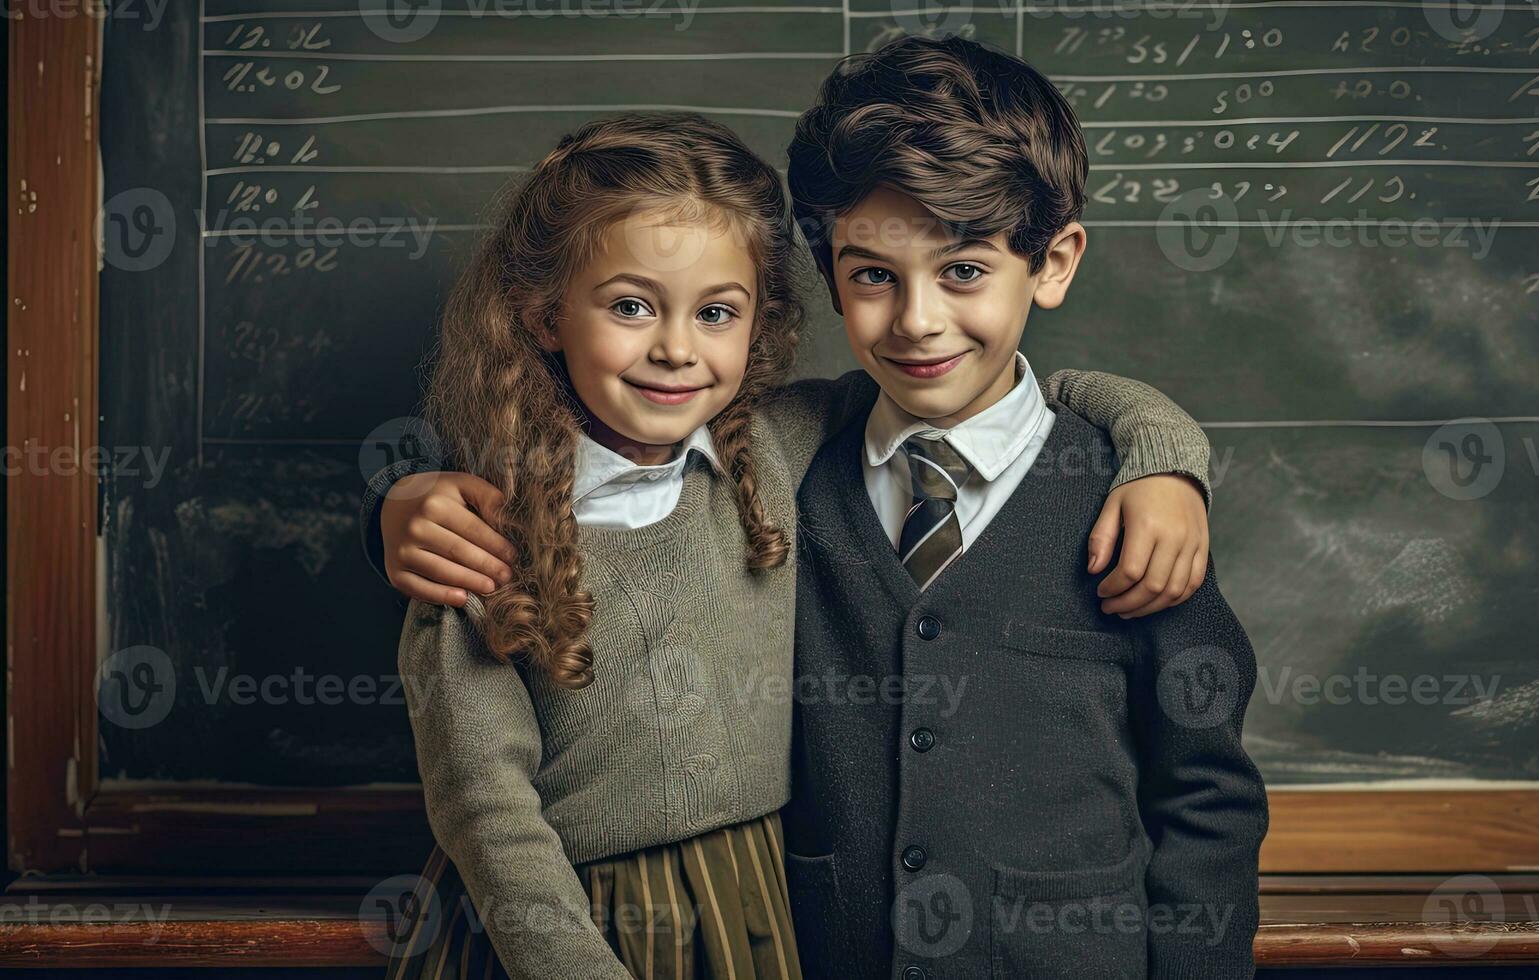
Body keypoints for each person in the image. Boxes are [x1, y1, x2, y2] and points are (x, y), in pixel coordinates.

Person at [380, 110, 1217, 980]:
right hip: (555, 928)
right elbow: (485, 807)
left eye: (715, 312)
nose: (673, 348)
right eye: (630, 306)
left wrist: (1164, 456)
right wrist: (393, 509)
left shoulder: (773, 449)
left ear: (758, 322)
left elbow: (1030, 395)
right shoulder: (477, 539)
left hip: (752, 914)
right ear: (543, 315)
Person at [778, 35, 1269, 980]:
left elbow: (1205, 792)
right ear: (830, 265)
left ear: (1051, 264)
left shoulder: (1128, 506)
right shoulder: (783, 476)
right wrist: (402, 497)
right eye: (873, 274)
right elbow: (597, 470)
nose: (917, 320)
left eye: (963, 270)